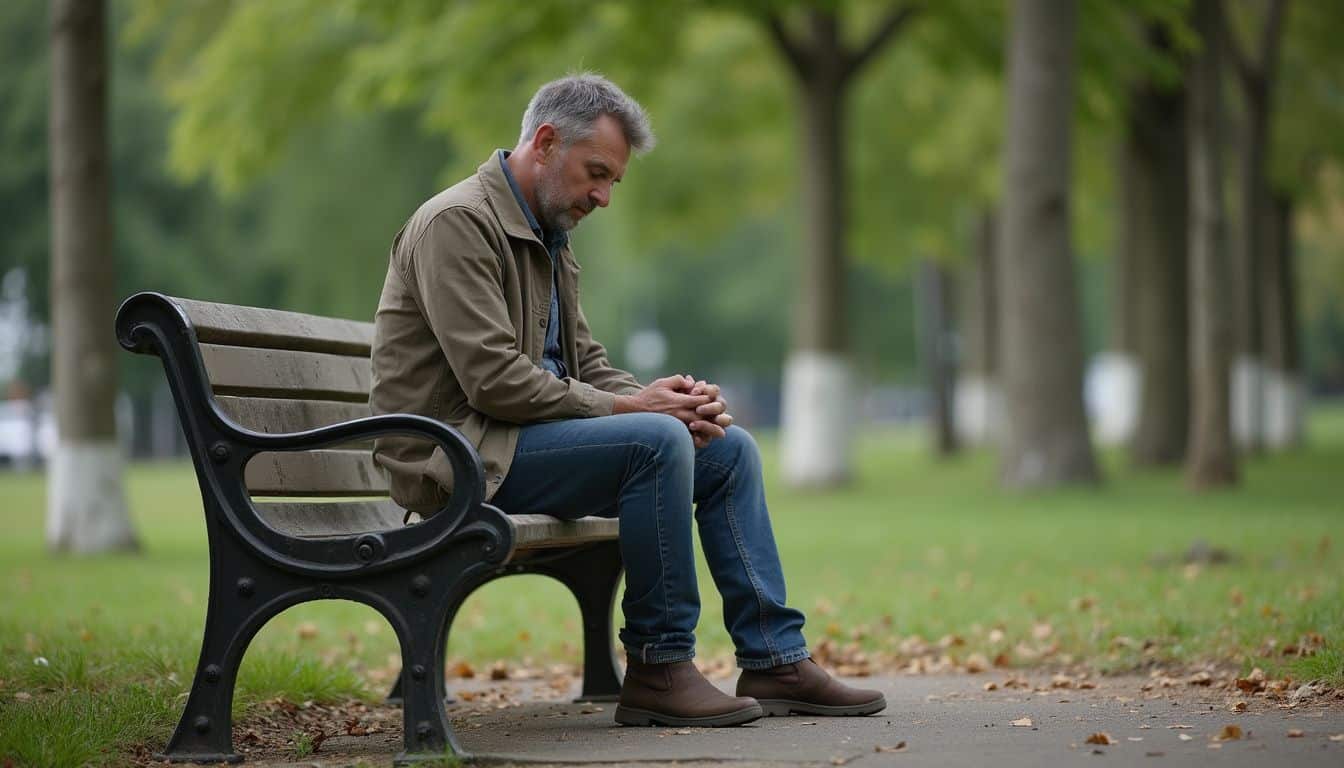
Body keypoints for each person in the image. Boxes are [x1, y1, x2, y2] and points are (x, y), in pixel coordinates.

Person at [370, 73, 884, 727]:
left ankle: (774, 658)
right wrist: (637, 414)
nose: (604, 196)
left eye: (613, 180)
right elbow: (492, 380)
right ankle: (659, 667)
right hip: (457, 457)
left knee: (724, 448)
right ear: (546, 142)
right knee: (655, 440)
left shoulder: (551, 240)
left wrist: (666, 399)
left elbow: (586, 367)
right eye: (596, 173)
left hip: (513, 444)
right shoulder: (458, 225)